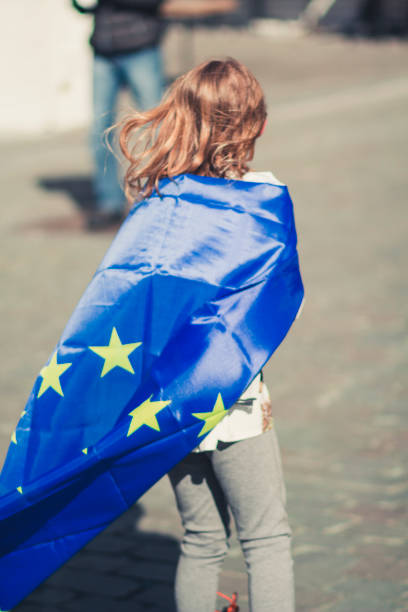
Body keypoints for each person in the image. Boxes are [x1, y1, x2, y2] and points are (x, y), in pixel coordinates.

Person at [118, 58, 300, 612]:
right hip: (235, 399)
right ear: (257, 125)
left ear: (182, 119)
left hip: (168, 402)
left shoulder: (158, 205)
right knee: (266, 537)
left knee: (200, 539)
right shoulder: (265, 199)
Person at [72, 0, 165, 230]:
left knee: (158, 128)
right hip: (103, 51)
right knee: (99, 130)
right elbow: (84, 7)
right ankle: (109, 204)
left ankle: (164, 198)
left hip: (141, 47)